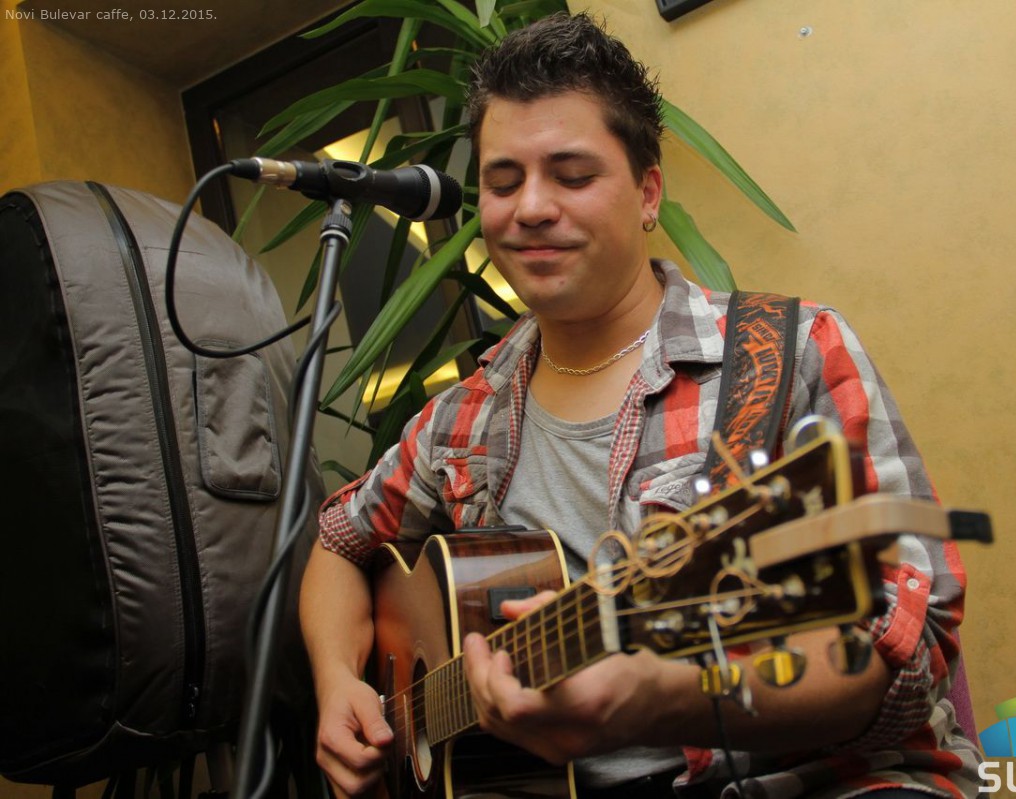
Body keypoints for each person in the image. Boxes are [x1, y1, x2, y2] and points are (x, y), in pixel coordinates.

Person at [299, 12, 979, 799]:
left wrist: (662, 696)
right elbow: (337, 541)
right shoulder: (461, 417)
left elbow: (906, 649)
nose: (531, 207)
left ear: (648, 192)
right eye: (503, 181)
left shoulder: (788, 355)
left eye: (572, 175)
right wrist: (337, 682)